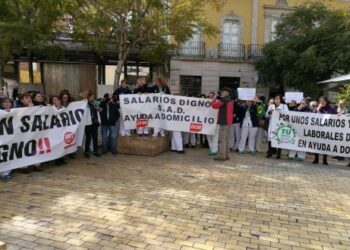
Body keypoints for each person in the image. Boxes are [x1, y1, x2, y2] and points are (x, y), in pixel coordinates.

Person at [211, 87, 234, 161]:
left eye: (222, 92)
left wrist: (214, 98)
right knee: (226, 139)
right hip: (228, 122)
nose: (221, 93)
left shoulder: (224, 100)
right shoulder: (230, 100)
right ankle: (226, 155)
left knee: (222, 140)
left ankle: (222, 155)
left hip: (224, 122)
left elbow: (214, 105)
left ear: (226, 93)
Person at [313, 96, 337, 165]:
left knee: (325, 144)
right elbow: (311, 116)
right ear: (319, 102)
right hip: (318, 129)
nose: (322, 102)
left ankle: (325, 159)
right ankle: (316, 158)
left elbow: (336, 116)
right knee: (317, 144)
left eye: (324, 101)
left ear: (326, 102)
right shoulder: (317, 109)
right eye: (321, 101)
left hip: (327, 130)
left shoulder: (331, 109)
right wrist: (318, 109)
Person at [266, 94, 289, 159]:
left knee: (279, 138)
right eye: (276, 99)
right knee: (270, 138)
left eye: (278, 99)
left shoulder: (284, 106)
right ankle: (269, 153)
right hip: (272, 124)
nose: (277, 100)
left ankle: (278, 154)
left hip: (280, 125)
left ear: (281, 99)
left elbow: (288, 115)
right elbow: (266, 116)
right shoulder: (271, 106)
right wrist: (270, 112)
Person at [51, 96, 68, 166]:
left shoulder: (64, 108)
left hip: (62, 129)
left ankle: (61, 158)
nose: (55, 101)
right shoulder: (51, 108)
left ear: (59, 101)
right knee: (56, 144)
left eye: (56, 100)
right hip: (55, 129)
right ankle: (57, 160)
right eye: (54, 100)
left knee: (62, 144)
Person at [84, 91, 100, 158]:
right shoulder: (85, 103)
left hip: (94, 122)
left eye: (93, 96)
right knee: (88, 138)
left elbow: (98, 106)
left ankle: (95, 152)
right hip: (88, 122)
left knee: (95, 137)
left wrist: (98, 108)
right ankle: (86, 152)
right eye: (92, 96)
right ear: (89, 96)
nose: (93, 98)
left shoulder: (94, 103)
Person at [0, 98, 13, 180]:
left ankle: (7, 171)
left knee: (8, 153)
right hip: (2, 137)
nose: (7, 103)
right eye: (5, 102)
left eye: (9, 102)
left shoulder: (15, 111)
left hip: (10, 138)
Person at [206, 92, 219, 156]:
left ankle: (215, 150)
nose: (210, 97)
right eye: (209, 96)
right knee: (209, 137)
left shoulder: (217, 102)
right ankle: (211, 148)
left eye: (212, 96)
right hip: (207, 122)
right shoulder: (206, 102)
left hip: (216, 122)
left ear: (214, 96)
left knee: (215, 136)